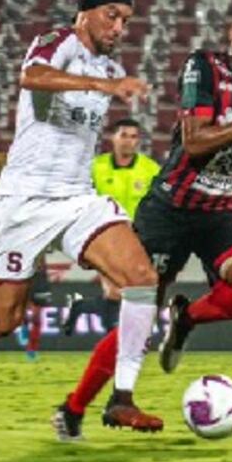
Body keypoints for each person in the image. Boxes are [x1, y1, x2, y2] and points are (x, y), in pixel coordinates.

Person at [0, 0, 163, 438]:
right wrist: (101, 88)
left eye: (126, 20)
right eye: (112, 15)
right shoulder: (59, 41)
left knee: (143, 278)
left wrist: (107, 83)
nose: (119, 28)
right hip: (23, 200)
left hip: (76, 196)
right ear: (86, 12)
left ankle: (121, 398)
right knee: (3, 320)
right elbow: (31, 76)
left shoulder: (108, 66)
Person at [53, 3, 232, 440]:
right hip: (170, 210)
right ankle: (73, 409)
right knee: (139, 318)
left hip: (220, 211)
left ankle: (186, 320)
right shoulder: (203, 67)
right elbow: (195, 142)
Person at [60, 117, 160, 336]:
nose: (128, 141)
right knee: (116, 291)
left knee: (123, 294)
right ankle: (115, 344)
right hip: (105, 237)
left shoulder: (150, 169)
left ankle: (82, 308)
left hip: (139, 239)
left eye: (133, 137)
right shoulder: (96, 167)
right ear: (113, 138)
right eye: (123, 135)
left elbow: (159, 203)